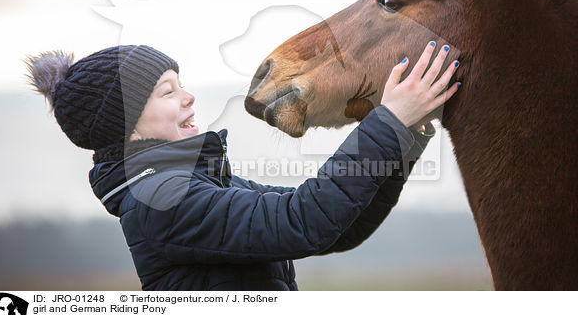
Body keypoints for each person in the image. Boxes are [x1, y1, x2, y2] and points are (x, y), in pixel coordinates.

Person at [23, 42, 460, 290]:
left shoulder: (194, 184)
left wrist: (406, 132)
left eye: (182, 84)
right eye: (166, 91)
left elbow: (337, 227)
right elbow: (305, 220)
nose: (189, 97)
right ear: (128, 126)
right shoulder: (162, 201)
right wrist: (389, 121)